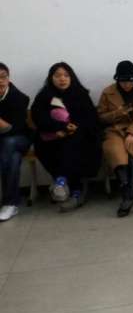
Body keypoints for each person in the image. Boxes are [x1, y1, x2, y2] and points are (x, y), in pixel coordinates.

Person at [31, 62, 101, 212]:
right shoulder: (44, 96)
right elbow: (38, 118)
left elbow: (91, 118)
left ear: (71, 77)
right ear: (51, 78)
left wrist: (76, 126)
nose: (62, 79)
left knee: (73, 144)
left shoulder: (81, 94)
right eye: (58, 76)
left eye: (66, 75)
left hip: (80, 136)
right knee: (52, 145)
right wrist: (59, 128)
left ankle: (64, 183)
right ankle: (70, 187)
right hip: (52, 136)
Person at [97, 61, 133, 217]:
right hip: (114, 130)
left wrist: (132, 132)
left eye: (131, 81)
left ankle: (130, 193)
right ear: (118, 80)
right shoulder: (107, 92)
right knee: (115, 152)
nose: (127, 84)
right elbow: (101, 117)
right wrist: (118, 113)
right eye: (123, 81)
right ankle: (127, 190)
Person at [0, 63, 32, 222]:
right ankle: (10, 204)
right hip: (7, 147)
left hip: (20, 139)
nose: (0, 81)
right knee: (13, 158)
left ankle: (9, 202)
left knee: (9, 143)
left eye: (3, 77)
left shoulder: (19, 98)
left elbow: (15, 129)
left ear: (8, 78)